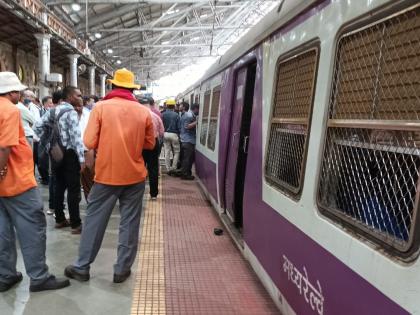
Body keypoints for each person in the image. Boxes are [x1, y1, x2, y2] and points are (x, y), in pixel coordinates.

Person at [64, 68, 155, 283]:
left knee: (95, 221)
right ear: (132, 89)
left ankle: (82, 267)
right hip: (135, 176)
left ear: (113, 86)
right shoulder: (143, 112)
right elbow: (150, 144)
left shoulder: (101, 108)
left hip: (106, 176)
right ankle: (122, 270)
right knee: (130, 223)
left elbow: (88, 142)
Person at [0, 72, 70, 292]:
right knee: (32, 227)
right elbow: (4, 147)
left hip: (3, 186)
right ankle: (39, 277)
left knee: (2, 230)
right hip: (16, 181)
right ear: (11, 92)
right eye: (18, 91)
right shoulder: (9, 110)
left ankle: (5, 275)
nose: (21, 95)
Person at [35, 86, 85, 234]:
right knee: (73, 189)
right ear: (69, 97)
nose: (81, 97)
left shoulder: (53, 110)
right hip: (70, 154)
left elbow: (38, 126)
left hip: (56, 154)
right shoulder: (71, 112)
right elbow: (76, 137)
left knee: (58, 186)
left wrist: (47, 142)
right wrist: (81, 159)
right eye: (78, 95)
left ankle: (60, 219)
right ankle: (76, 224)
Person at [140, 97, 164, 200]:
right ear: (150, 105)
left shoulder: (137, 116)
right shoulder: (156, 116)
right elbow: (162, 132)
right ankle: (153, 194)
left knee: (139, 168)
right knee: (153, 168)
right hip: (153, 143)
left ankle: (138, 193)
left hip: (140, 144)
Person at [176, 103, 199, 180]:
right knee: (187, 158)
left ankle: (187, 173)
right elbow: (187, 126)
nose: (199, 111)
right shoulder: (189, 115)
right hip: (188, 140)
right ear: (195, 109)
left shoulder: (186, 114)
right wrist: (197, 122)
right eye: (198, 110)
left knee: (186, 158)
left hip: (185, 139)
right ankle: (185, 175)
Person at [162, 99, 180, 174]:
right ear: (174, 106)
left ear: (167, 106)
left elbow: (161, 125)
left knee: (167, 151)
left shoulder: (163, 114)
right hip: (174, 134)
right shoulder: (176, 115)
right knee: (176, 152)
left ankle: (168, 168)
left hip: (165, 133)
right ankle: (174, 167)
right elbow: (179, 127)